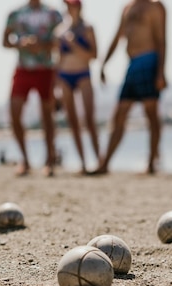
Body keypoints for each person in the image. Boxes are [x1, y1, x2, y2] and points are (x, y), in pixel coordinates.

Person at [93, 0, 167, 175]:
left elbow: (161, 40)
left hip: (149, 61)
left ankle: (152, 163)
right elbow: (117, 36)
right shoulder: (127, 8)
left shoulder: (155, 6)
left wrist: (160, 72)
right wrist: (104, 63)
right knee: (120, 113)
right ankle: (105, 163)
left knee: (151, 114)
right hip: (132, 64)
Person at [3, 0, 63, 177]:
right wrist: (21, 44)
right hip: (23, 68)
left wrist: (41, 45)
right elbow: (4, 41)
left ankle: (49, 161)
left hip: (46, 68)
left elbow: (61, 42)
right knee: (14, 113)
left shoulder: (53, 13)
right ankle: (25, 160)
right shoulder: (15, 14)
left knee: (47, 115)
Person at [56, 0, 99, 174]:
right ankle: (82, 163)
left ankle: (99, 159)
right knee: (72, 121)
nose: (69, 8)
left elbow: (93, 55)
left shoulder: (88, 28)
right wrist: (55, 85)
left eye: (72, 5)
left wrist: (74, 44)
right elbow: (58, 59)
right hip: (65, 76)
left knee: (89, 119)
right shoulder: (60, 31)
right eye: (67, 5)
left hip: (83, 73)